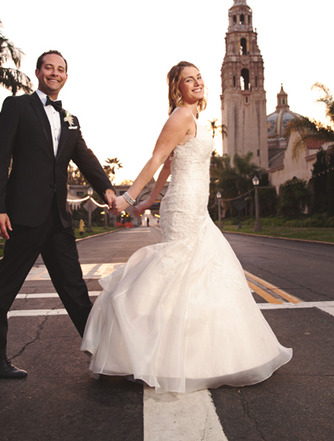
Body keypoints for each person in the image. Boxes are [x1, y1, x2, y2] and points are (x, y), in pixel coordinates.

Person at [81, 61, 292, 393]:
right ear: (176, 87)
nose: (196, 83)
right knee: (179, 270)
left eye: (198, 78)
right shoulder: (180, 116)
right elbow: (155, 158)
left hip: (195, 206)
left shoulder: (191, 118)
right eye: (187, 80)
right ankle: (140, 337)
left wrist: (149, 201)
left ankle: (202, 354)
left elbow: (169, 164)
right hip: (183, 206)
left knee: (202, 273)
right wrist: (127, 197)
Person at [0, 50, 117, 379]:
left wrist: (108, 190)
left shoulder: (70, 119)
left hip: (57, 219)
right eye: (49, 67)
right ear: (39, 72)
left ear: (65, 77)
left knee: (74, 288)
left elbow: (85, 158)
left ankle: (105, 356)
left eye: (61, 69)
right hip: (23, 215)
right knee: (6, 287)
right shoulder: (16, 107)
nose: (54, 73)